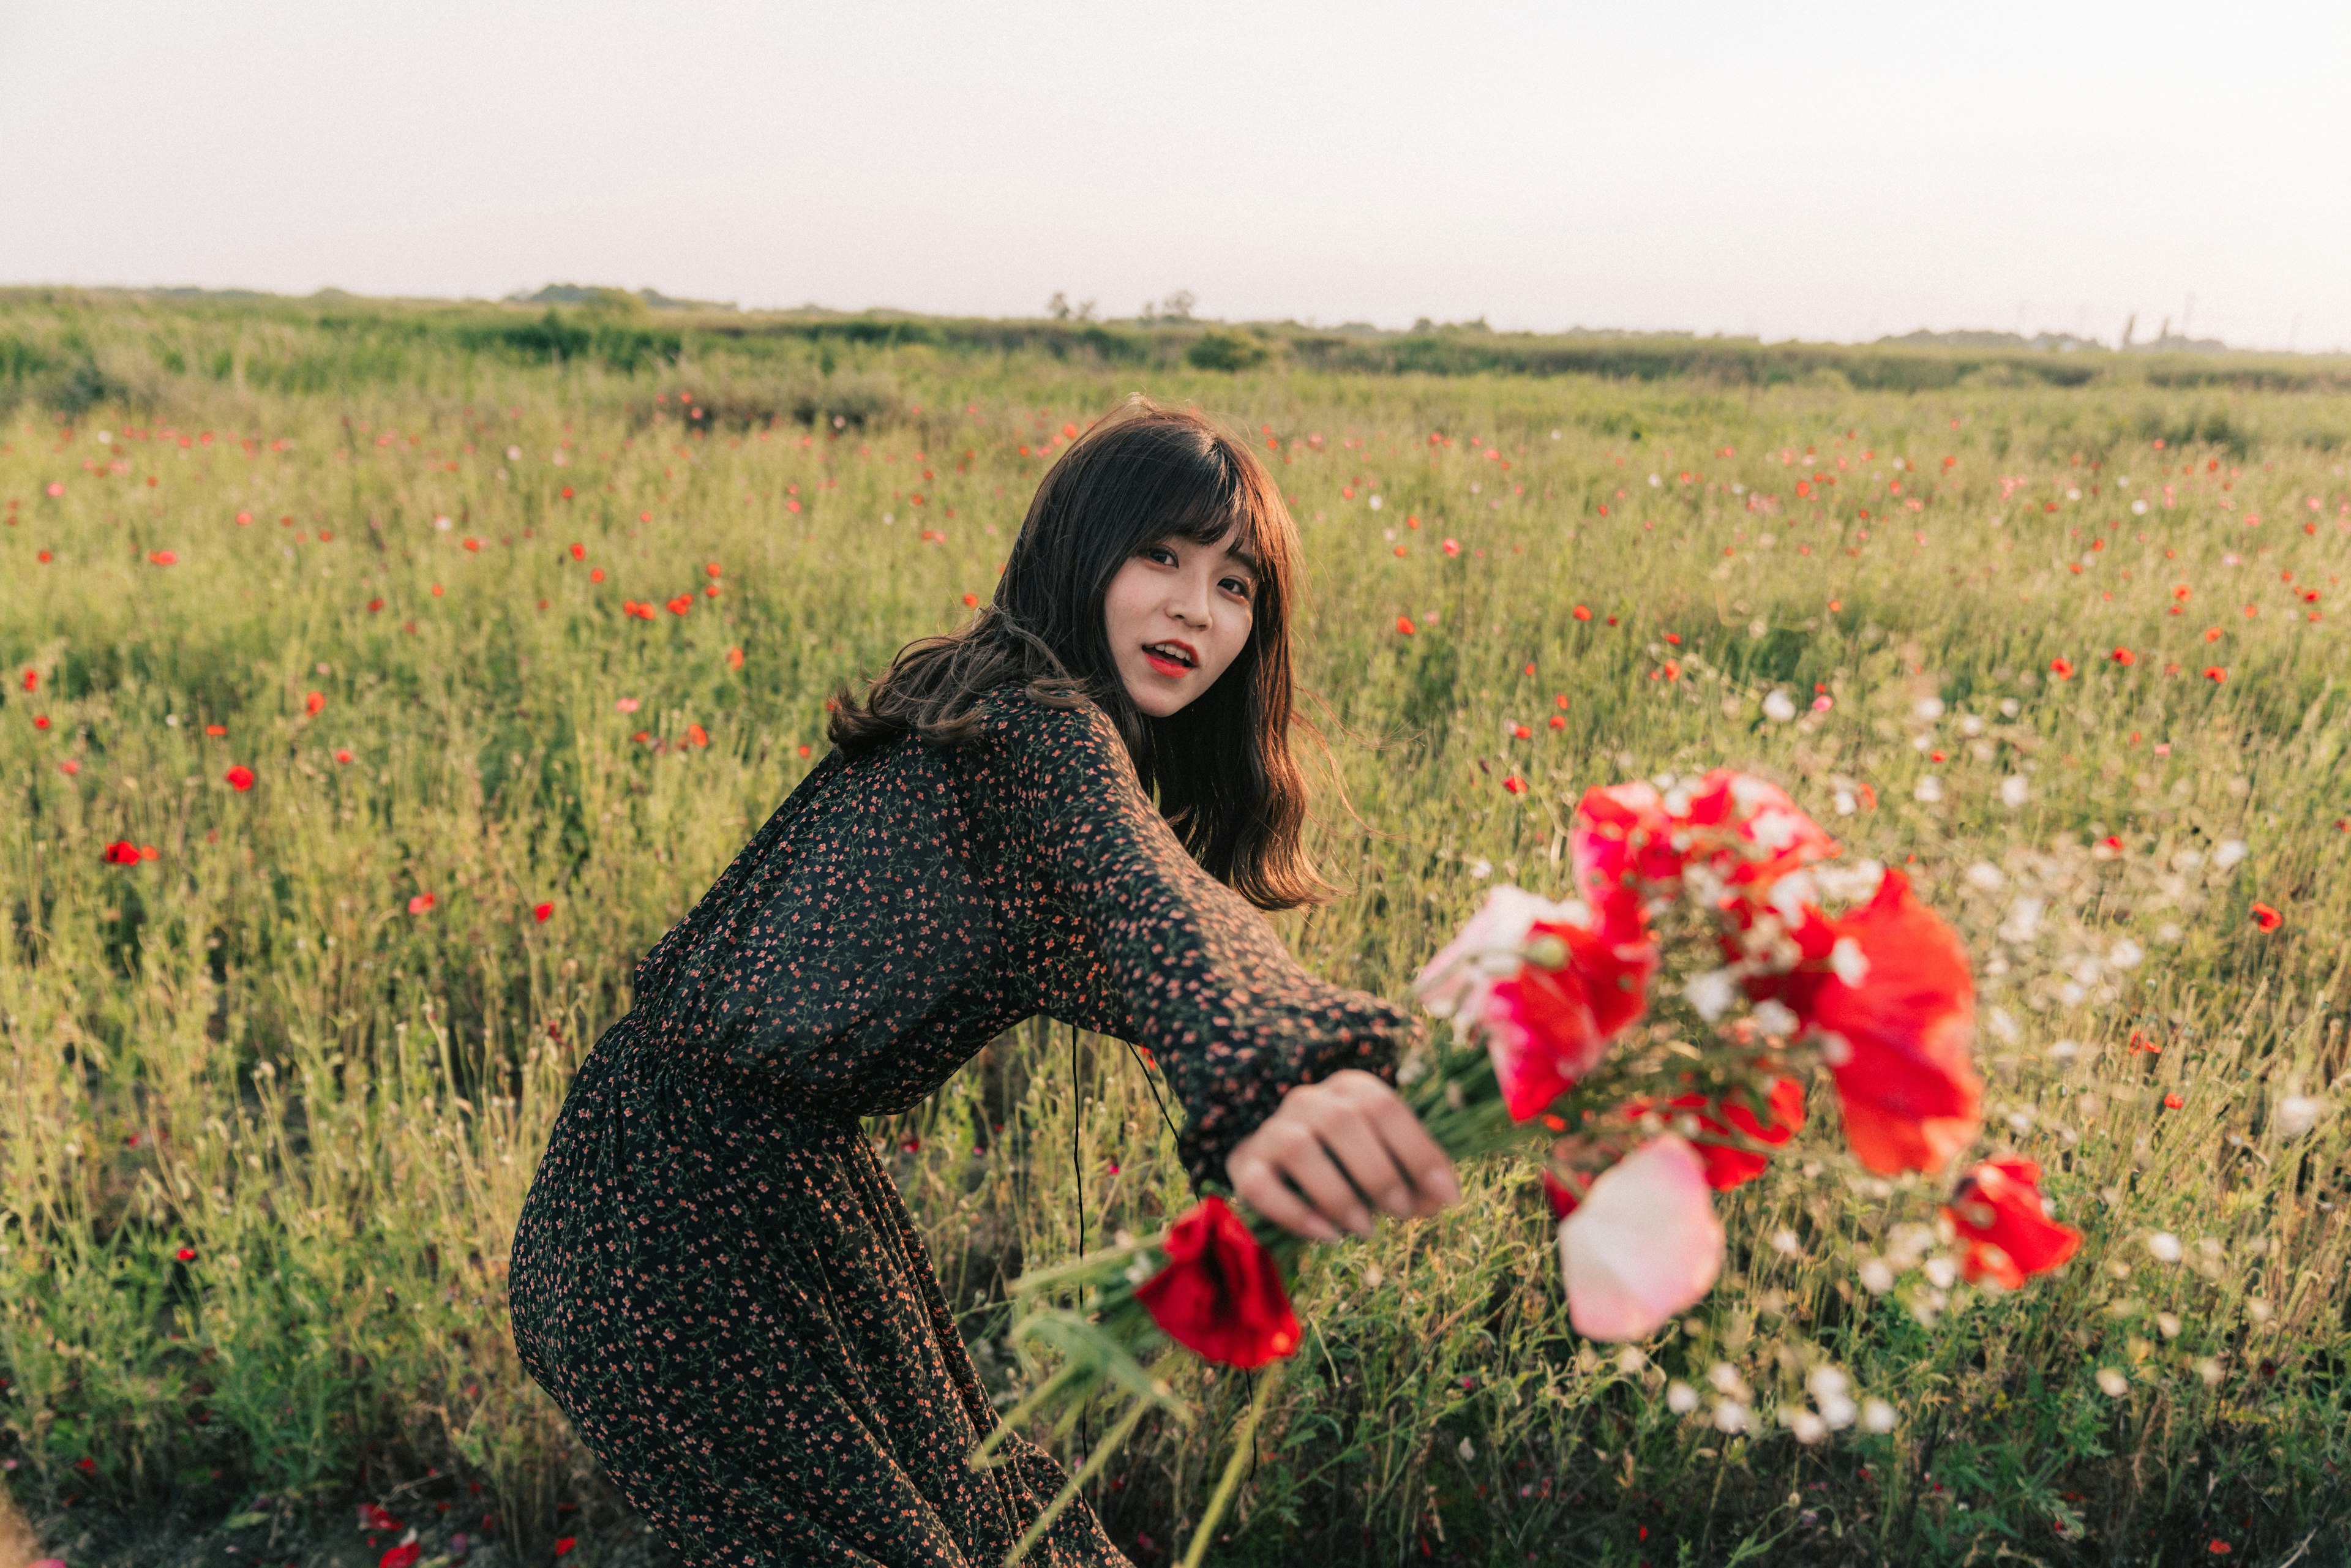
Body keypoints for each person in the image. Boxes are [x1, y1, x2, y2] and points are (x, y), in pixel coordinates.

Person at [509, 398, 1461, 1567]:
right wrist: (1293, 1061)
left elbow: (1148, 910)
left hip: (693, 1186)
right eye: (1159, 555)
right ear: (1077, 548)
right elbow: (1162, 911)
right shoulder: (1036, 734)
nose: (1192, 609)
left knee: (983, 1518)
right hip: (684, 1233)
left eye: (1234, 585)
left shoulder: (982, 696)